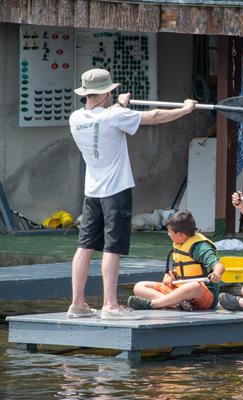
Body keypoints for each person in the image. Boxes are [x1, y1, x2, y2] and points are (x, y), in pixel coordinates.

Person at [67, 68, 197, 320]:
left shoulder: (76, 118)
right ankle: (111, 305)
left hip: (92, 192)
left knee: (84, 247)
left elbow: (105, 116)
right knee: (112, 248)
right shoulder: (114, 116)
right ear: (106, 93)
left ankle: (77, 303)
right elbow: (155, 116)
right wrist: (185, 109)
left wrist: (119, 105)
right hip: (115, 192)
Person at [127, 210, 224, 311]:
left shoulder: (200, 247)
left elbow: (219, 266)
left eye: (170, 232)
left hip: (203, 296)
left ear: (179, 234)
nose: (168, 234)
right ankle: (177, 305)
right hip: (180, 290)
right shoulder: (179, 244)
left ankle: (152, 304)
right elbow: (178, 270)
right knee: (139, 286)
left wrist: (216, 273)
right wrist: (170, 276)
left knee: (194, 286)